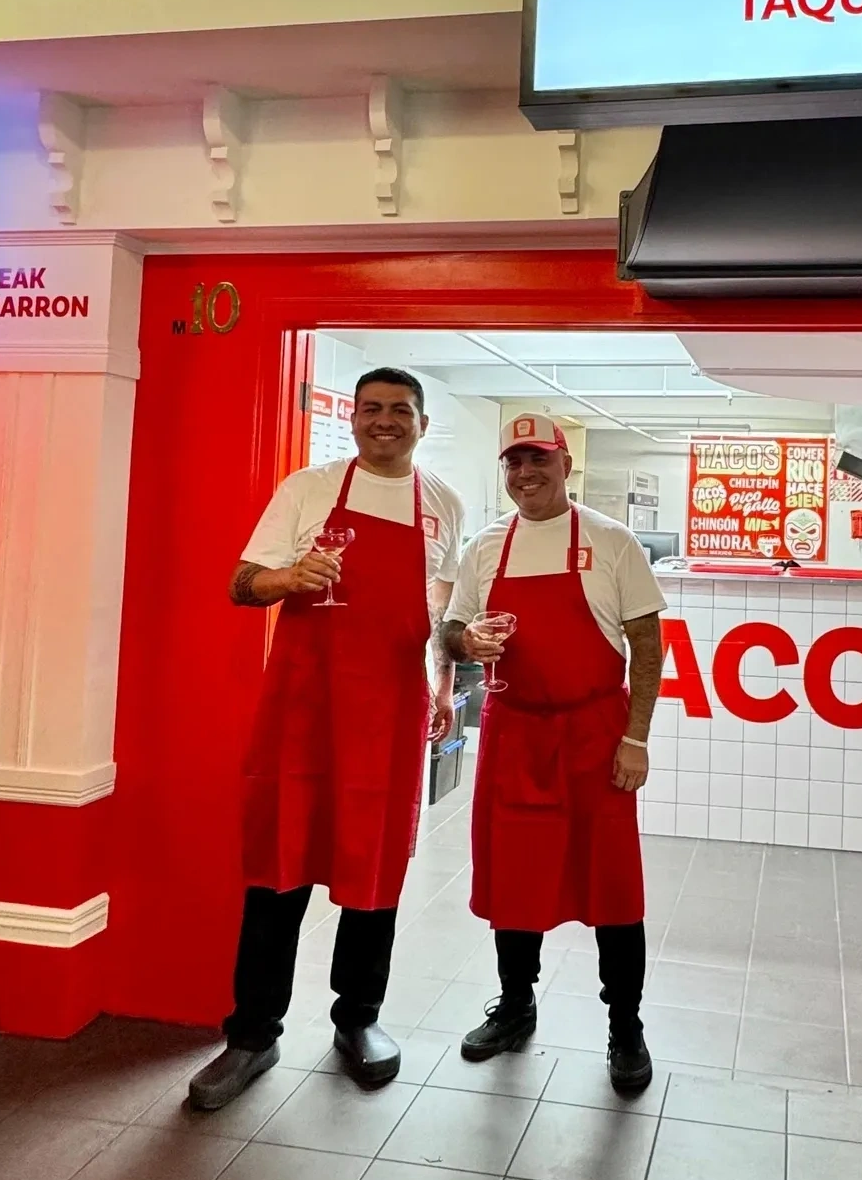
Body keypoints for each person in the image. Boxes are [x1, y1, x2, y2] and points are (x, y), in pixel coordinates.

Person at [189, 368, 463, 1111]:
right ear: (354, 419)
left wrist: (442, 687)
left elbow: (441, 611)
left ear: (422, 423)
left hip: (391, 714)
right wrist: (289, 578)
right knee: (280, 867)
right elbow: (240, 583)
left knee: (374, 874)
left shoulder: (442, 503)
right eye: (371, 409)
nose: (384, 421)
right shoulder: (308, 488)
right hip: (305, 708)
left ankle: (358, 1022)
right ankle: (251, 1034)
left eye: (399, 411)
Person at [442, 414, 665, 1095]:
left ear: (566, 466)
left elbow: (647, 649)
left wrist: (635, 738)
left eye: (539, 459)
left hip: (594, 736)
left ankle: (624, 1027)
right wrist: (464, 643)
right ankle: (515, 1005)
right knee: (516, 878)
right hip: (514, 736)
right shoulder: (486, 548)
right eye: (514, 461)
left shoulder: (611, 541)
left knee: (614, 890)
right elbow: (450, 630)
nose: (524, 473)